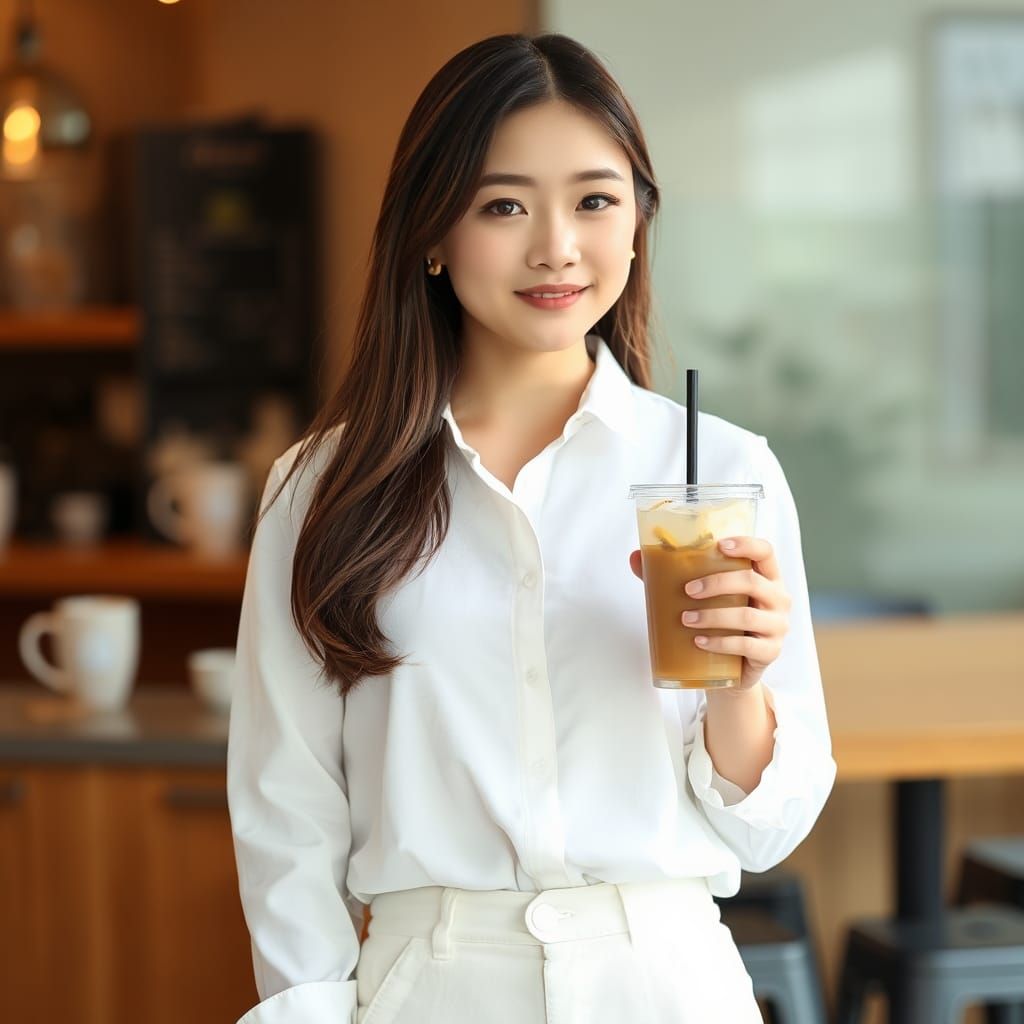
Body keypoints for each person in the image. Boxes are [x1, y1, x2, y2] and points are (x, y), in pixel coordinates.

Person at [226, 31, 837, 1024]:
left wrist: (744, 680)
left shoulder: (719, 472)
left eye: (594, 200)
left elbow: (765, 832)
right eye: (503, 205)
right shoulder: (323, 487)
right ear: (431, 234)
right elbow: (283, 801)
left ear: (637, 223)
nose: (555, 245)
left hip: (665, 982)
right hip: (432, 987)